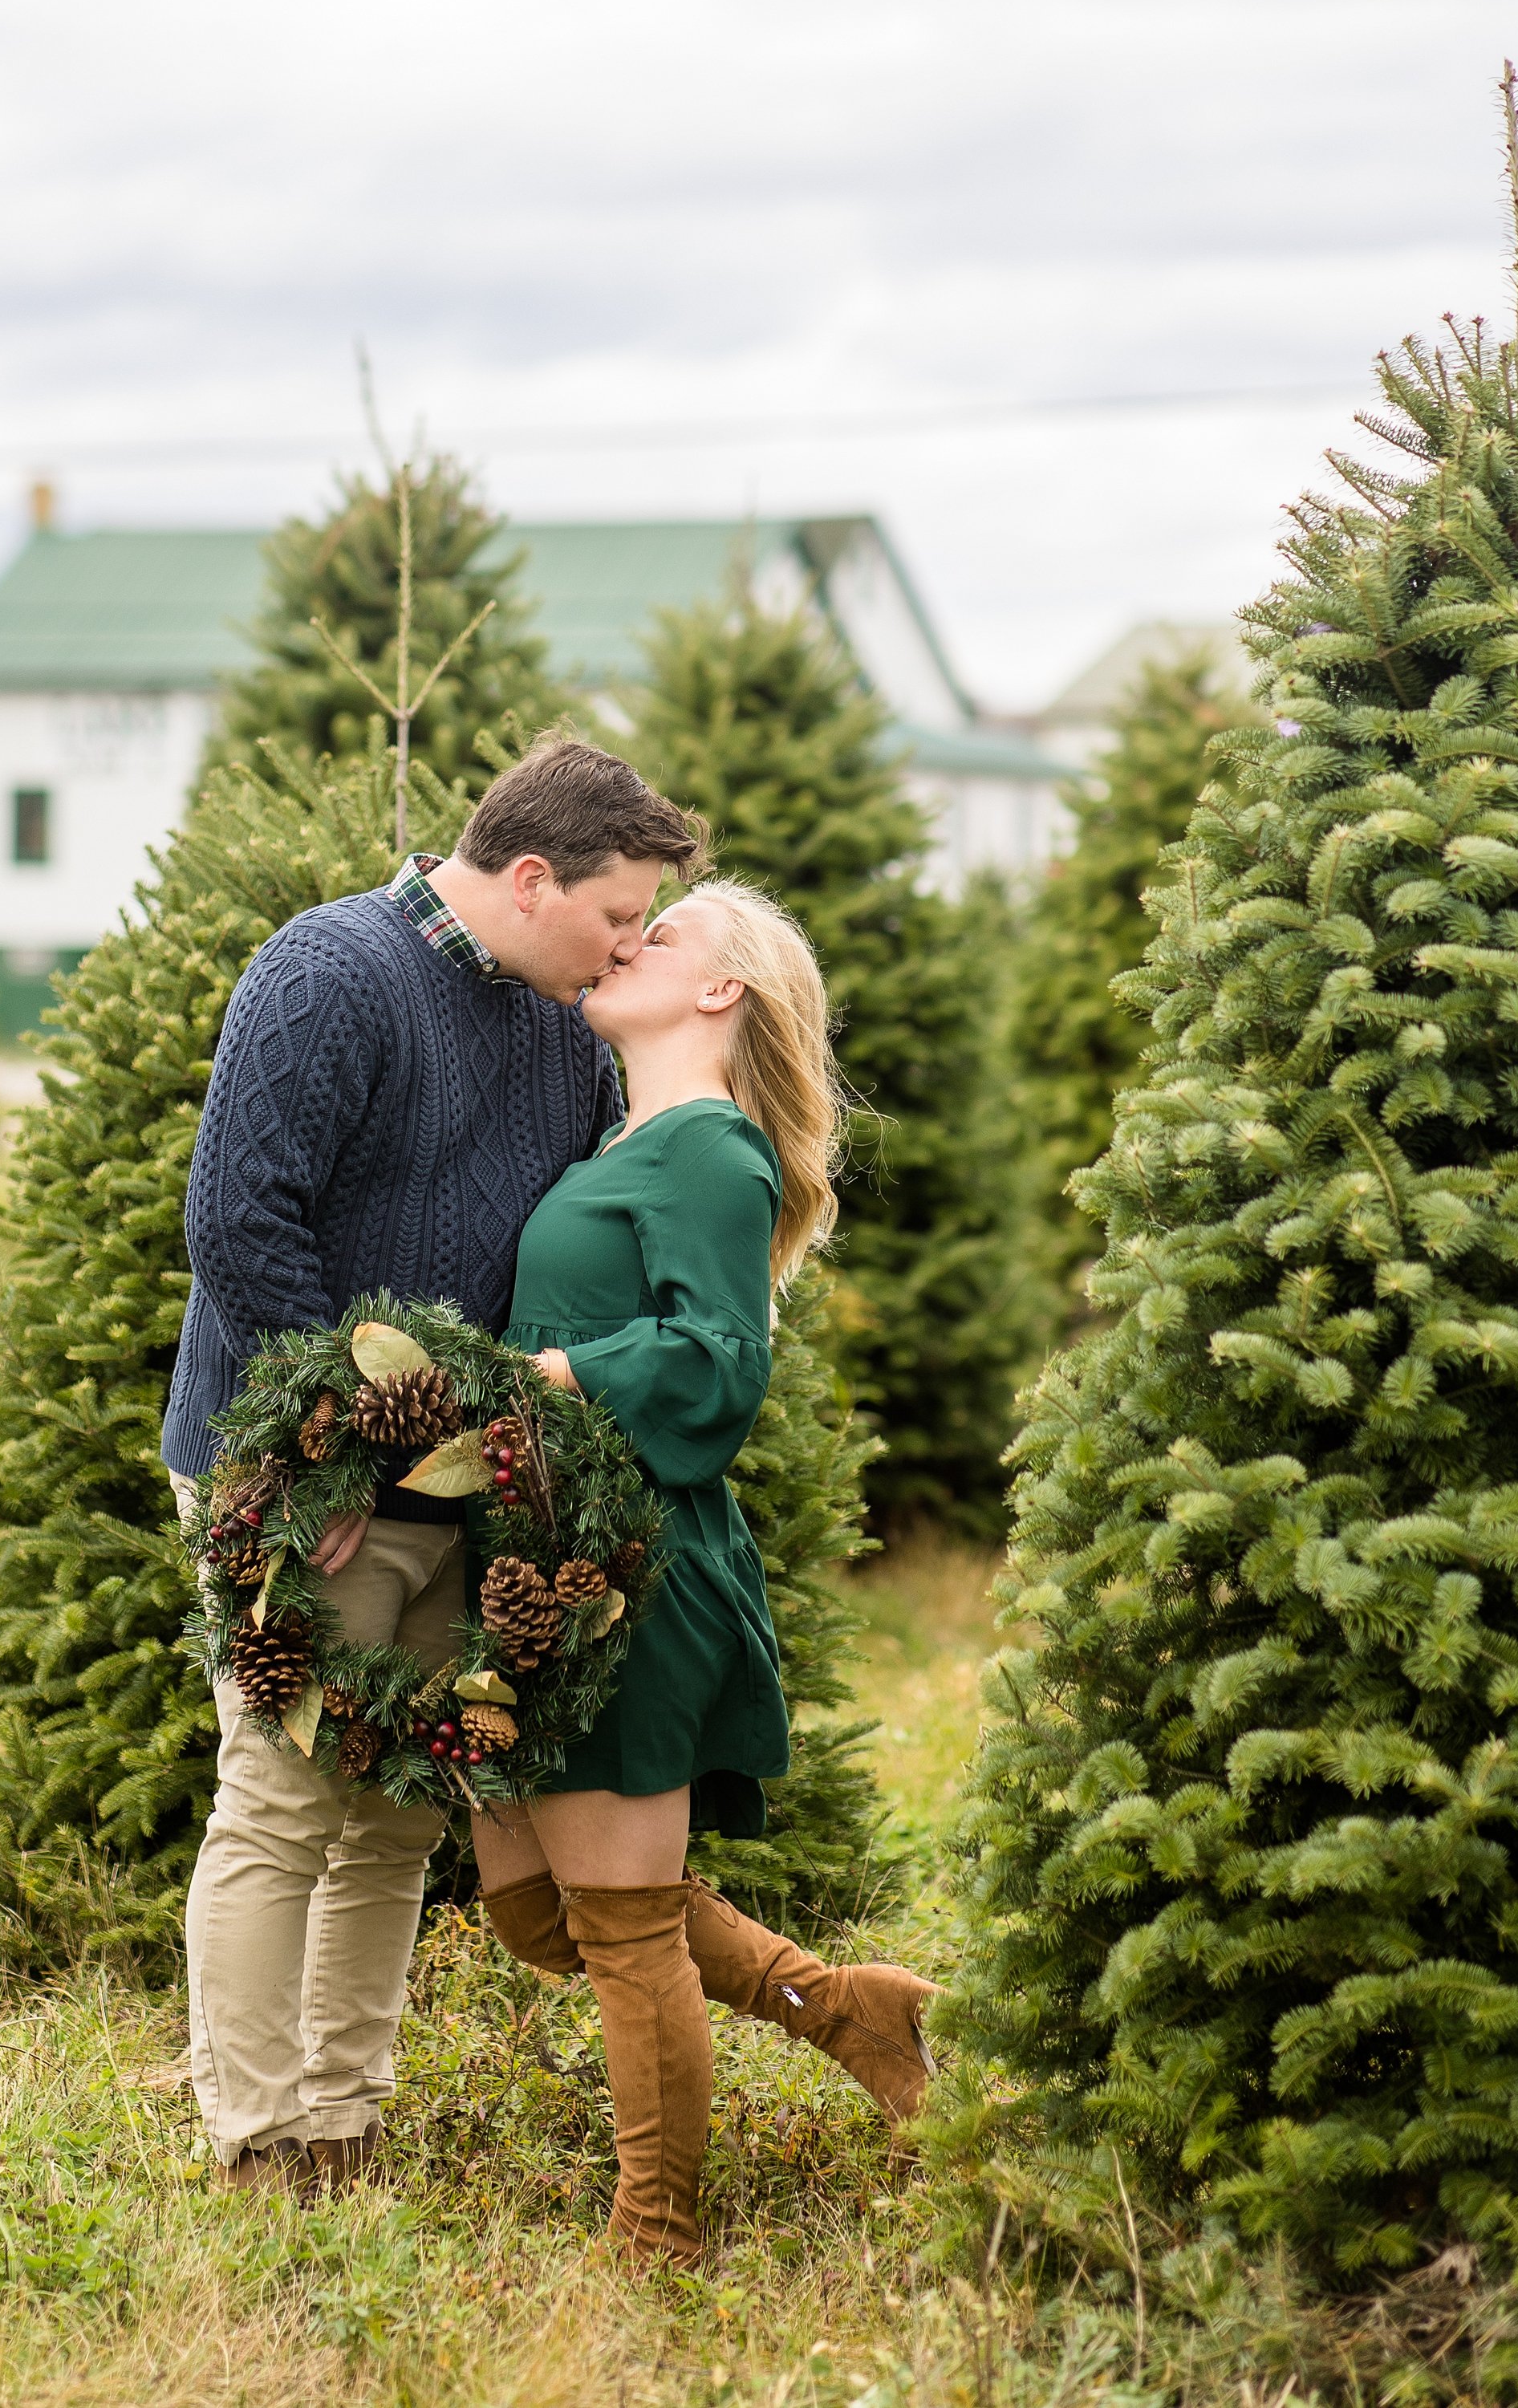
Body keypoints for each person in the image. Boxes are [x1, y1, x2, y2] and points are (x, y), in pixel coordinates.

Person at [167, 738, 704, 2192]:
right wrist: (321, 1462)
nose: (633, 945)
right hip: (297, 1476)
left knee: (397, 1811)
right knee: (282, 1800)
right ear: (532, 878)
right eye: (619, 916)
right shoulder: (325, 972)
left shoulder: (562, 1027)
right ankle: (257, 2135)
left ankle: (344, 2121)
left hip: (456, 1482)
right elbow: (239, 1226)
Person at [472, 878, 940, 2268]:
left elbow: (724, 1362)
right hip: (542, 1552)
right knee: (530, 1904)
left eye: (660, 933)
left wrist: (556, 1372)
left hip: (629, 1567)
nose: (628, 940)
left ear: (721, 992)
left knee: (617, 1928)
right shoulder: (630, 1135)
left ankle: (656, 2238)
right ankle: (845, 2006)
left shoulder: (709, 1154)